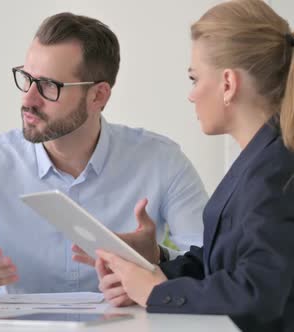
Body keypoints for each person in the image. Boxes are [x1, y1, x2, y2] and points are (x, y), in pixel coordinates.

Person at [0, 12, 208, 297]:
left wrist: (158, 259)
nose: (28, 99)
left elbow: (215, 263)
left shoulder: (161, 160)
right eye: (27, 78)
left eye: (49, 86)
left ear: (98, 96)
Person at [79, 0, 294, 331]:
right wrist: (154, 269)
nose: (191, 95)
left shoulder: (277, 171)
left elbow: (257, 291)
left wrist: (155, 291)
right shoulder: (262, 159)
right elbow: (224, 263)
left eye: (194, 79)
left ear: (227, 84)